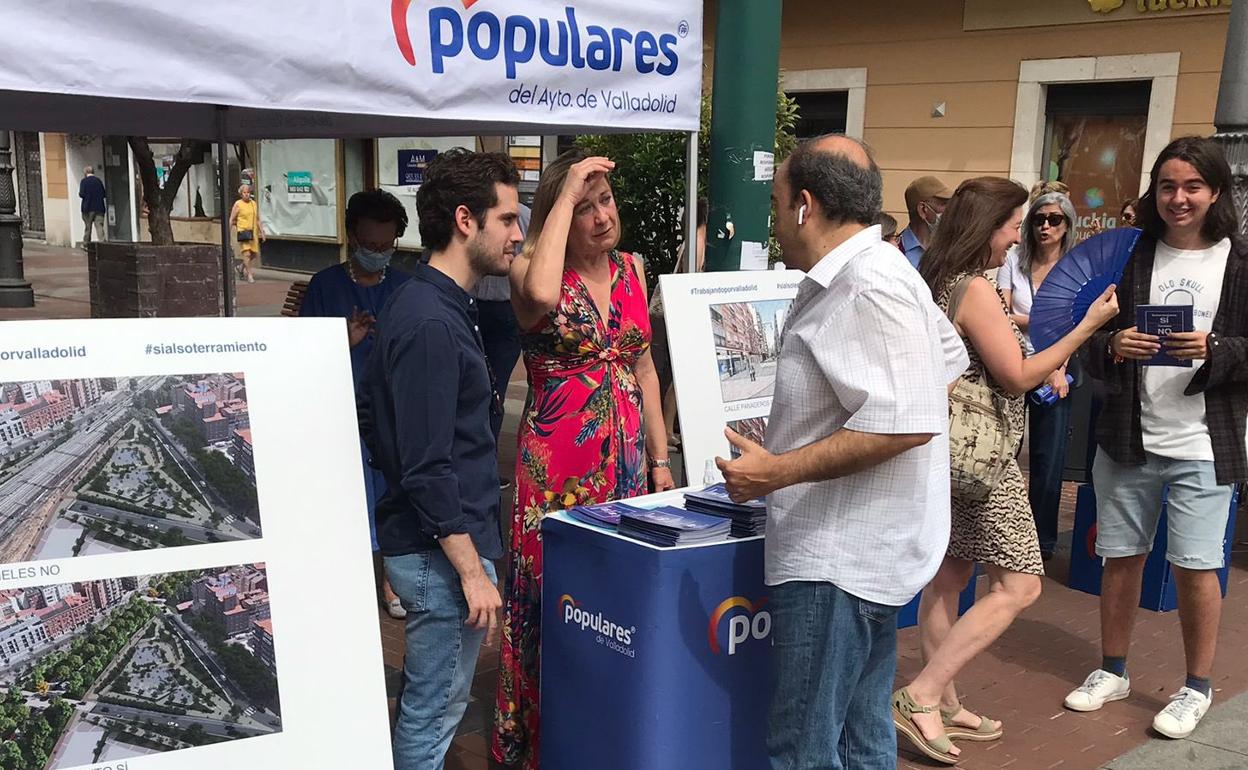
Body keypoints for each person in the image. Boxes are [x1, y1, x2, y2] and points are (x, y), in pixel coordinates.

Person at [715, 135, 969, 770]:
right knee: (859, 738)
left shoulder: (868, 283)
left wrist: (780, 469)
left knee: (803, 747)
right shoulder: (877, 271)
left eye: (775, 204)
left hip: (840, 559)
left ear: (805, 205)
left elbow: (910, 419)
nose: (773, 222)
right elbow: (941, 367)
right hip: (863, 553)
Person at [895, 177, 1118, 764]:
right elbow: (1017, 376)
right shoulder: (974, 287)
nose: (1019, 236)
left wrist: (1018, 325)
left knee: (949, 575)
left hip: (949, 452)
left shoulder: (938, 278)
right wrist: (1085, 327)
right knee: (1020, 584)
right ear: (988, 226)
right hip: (983, 460)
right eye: (1014, 225)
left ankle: (942, 699)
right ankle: (920, 695)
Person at [493, 149, 676, 770]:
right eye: (584, 205)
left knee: (606, 602)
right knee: (546, 600)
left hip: (625, 470)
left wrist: (659, 461)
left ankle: (597, 726)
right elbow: (543, 293)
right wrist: (564, 187)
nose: (602, 216)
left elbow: (644, 368)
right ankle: (537, 745)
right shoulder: (527, 271)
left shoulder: (632, 269)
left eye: (606, 200)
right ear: (557, 217)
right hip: (555, 472)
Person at [1064, 136, 1248, 740]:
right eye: (1168, 185)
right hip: (1128, 435)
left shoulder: (1240, 262)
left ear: (1215, 191)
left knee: (1197, 567)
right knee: (1120, 558)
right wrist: (1112, 345)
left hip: (1204, 441)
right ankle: (1112, 668)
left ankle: (1197, 685)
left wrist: (1217, 350)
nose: (1179, 198)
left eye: (1192, 186)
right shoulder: (1129, 256)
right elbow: (1083, 335)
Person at [358, 148, 522, 770]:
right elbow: (426, 463)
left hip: (440, 544)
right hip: (442, 555)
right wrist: (472, 570)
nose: (516, 234)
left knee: (436, 707)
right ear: (464, 220)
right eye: (507, 219)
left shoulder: (442, 303)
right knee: (432, 715)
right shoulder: (429, 317)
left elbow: (382, 422)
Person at [301, 189, 413, 619]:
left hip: (391, 414)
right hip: (338, 411)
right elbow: (302, 355)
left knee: (394, 499)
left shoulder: (405, 287)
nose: (379, 253)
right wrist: (341, 342)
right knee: (344, 500)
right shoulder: (325, 286)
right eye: (371, 245)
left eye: (387, 246)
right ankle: (340, 583)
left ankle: (392, 581)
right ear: (351, 236)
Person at [998, 191, 1080, 559]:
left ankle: (1041, 540)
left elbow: (1080, 325)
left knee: (1049, 460)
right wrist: (1043, 321)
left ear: (1067, 225)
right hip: (1013, 361)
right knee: (1004, 450)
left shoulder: (1075, 266)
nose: (1045, 226)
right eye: (1038, 219)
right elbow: (1001, 314)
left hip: (1058, 366)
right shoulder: (1014, 259)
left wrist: (1057, 368)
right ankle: (1002, 531)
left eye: (1054, 219)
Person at [469, 202, 531, 452]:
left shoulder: (523, 215)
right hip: (479, 306)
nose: (513, 236)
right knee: (487, 387)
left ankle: (487, 455)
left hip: (504, 308)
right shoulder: (522, 215)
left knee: (492, 388)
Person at [650, 196, 708, 451]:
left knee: (677, 373)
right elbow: (689, 278)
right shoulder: (698, 241)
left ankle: (667, 426)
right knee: (679, 373)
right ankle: (666, 427)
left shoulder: (691, 240)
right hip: (677, 314)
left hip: (670, 313)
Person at [898, 175, 954, 269]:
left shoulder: (950, 247)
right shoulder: (895, 250)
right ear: (923, 210)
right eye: (944, 204)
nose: (950, 210)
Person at [229, 184, 265, 283]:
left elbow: (257, 219)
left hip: (253, 233)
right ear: (241, 194)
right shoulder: (238, 204)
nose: (247, 194)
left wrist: (262, 231)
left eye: (248, 192)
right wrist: (228, 232)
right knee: (247, 254)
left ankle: (240, 267)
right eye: (244, 193)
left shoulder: (253, 203)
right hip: (243, 231)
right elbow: (231, 219)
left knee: (254, 254)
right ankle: (249, 275)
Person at [79, 166, 106, 248]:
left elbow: (81, 194)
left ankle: (86, 244)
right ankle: (102, 244)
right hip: (99, 207)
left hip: (88, 208)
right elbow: (104, 194)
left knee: (88, 227)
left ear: (85, 172)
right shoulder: (98, 181)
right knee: (99, 226)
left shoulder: (84, 181)